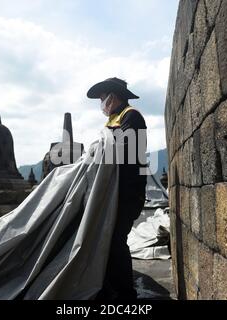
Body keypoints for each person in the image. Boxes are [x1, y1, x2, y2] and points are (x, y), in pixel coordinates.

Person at [87, 77, 147, 300]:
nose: (101, 102)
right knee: (106, 240)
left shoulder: (131, 116)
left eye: (103, 98)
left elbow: (126, 151)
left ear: (114, 96)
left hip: (127, 192)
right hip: (112, 192)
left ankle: (126, 295)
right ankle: (112, 289)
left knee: (115, 241)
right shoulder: (112, 120)